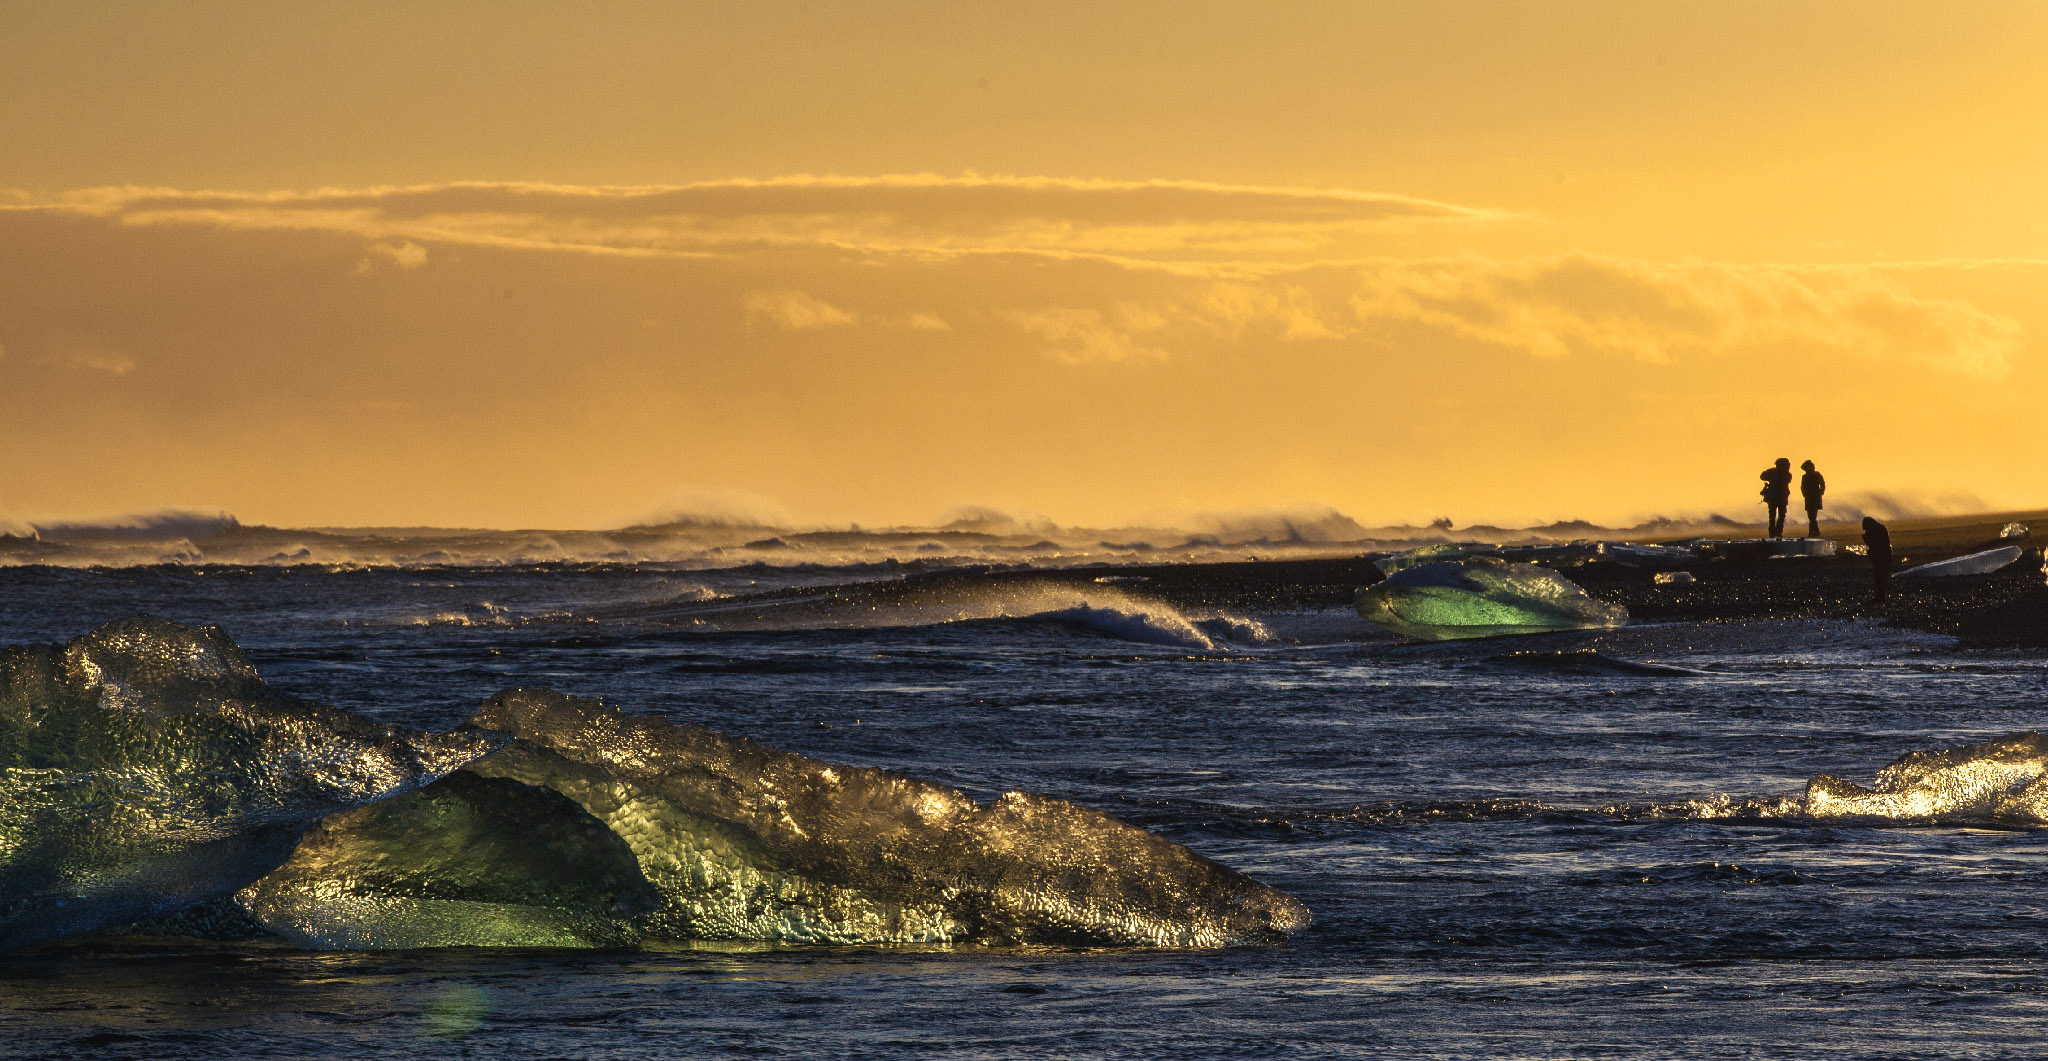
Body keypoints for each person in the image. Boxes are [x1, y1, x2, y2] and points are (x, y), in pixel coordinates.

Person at [1759, 458, 1793, 538]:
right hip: (1778, 497)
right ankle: (1776, 532)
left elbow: (1763, 476)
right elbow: (1762, 476)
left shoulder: (1785, 474)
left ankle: (1775, 532)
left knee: (1776, 516)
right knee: (1776, 516)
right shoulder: (1782, 473)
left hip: (1779, 497)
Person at [1862, 516, 1891, 604]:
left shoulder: (1874, 531)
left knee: (1879, 578)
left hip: (1880, 557)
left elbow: (1874, 545)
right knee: (1881, 578)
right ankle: (1880, 596)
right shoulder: (1880, 528)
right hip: (1884, 556)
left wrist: (1865, 539)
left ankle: (1880, 597)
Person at [1800, 460, 1826, 538]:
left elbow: (1822, 484)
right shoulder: (1805, 476)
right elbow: (1802, 487)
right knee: (1811, 516)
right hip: (1810, 497)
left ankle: (1812, 532)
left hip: (1814, 496)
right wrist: (1804, 494)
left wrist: (1821, 492)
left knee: (1812, 516)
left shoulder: (1816, 474)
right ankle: (1816, 531)